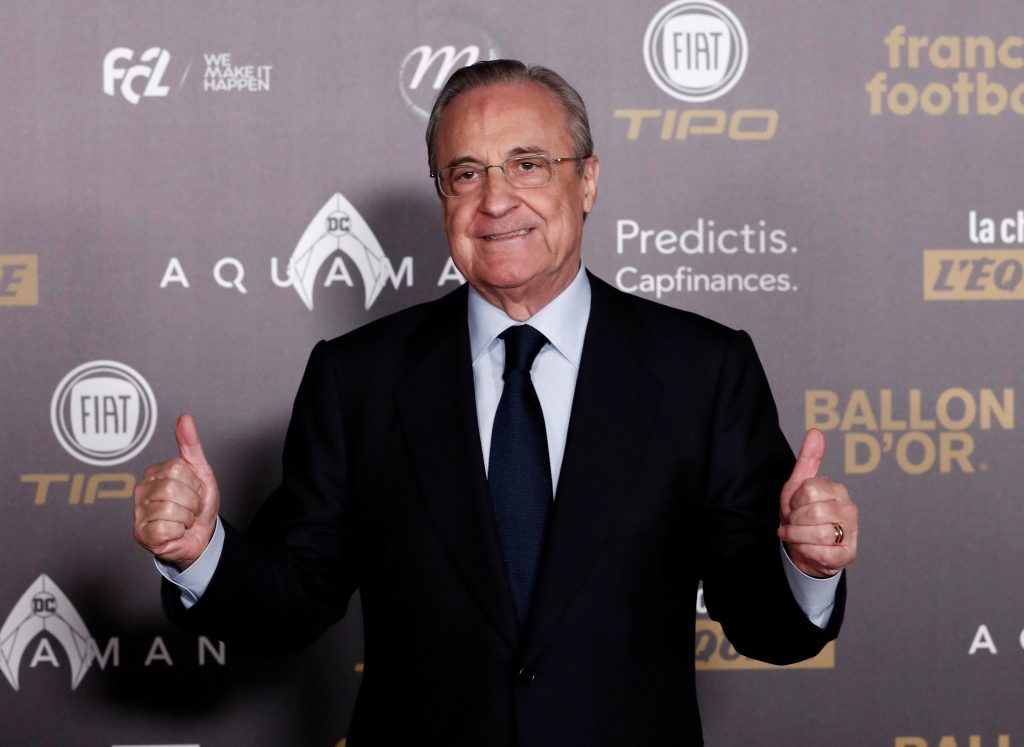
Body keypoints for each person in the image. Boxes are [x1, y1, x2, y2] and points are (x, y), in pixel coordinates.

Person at [134, 59, 858, 746]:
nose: (496, 199)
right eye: (466, 173)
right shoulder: (357, 378)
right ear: (444, 198)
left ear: (588, 181)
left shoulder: (702, 370)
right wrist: (203, 553)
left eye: (528, 164)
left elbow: (766, 622)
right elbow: (296, 598)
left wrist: (807, 567)